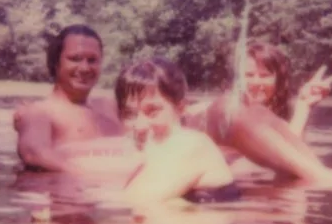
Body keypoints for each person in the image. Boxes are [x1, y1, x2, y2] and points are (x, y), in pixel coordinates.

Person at [197, 41, 332, 191]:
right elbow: (282, 161)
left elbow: (287, 162)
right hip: (211, 183)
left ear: (278, 80)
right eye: (248, 75)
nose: (256, 82)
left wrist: (303, 106)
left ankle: (330, 178)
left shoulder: (269, 120)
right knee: (230, 107)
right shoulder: (223, 110)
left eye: (264, 75)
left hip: (239, 191)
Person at [115, 57, 241, 205]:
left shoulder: (191, 144)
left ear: (180, 108)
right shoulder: (155, 150)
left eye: (153, 111)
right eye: (130, 114)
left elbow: (139, 201)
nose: (140, 125)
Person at [13, 24, 125, 172]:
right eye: (75, 59)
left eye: (92, 60)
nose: (85, 68)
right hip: (70, 191)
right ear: (55, 63)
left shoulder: (111, 107)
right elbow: (33, 154)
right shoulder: (39, 113)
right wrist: (91, 175)